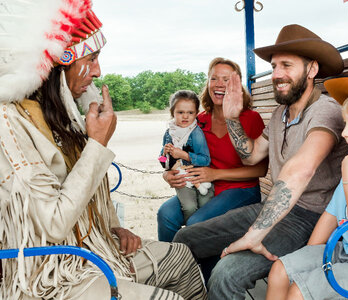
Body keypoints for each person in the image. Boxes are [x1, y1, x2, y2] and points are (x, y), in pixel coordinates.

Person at [0, 1, 206, 299]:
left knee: (182, 259)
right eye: (92, 57)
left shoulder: (62, 114)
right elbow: (53, 225)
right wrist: (96, 144)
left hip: (91, 250)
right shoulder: (10, 123)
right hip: (49, 275)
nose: (98, 71)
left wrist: (112, 226)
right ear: (60, 60)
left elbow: (90, 191)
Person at [173, 24, 348, 299]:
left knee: (226, 274)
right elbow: (252, 154)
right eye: (274, 65)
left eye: (286, 65)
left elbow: (302, 169)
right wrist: (232, 119)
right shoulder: (281, 113)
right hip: (272, 207)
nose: (276, 74)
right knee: (185, 239)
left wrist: (255, 234)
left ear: (312, 69)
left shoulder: (326, 112)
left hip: (310, 219)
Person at [266, 69, 348, 300]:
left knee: (301, 292)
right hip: (346, 252)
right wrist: (308, 259)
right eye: (346, 123)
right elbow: (330, 215)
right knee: (281, 271)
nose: (345, 132)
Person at [158, 57, 268, 244]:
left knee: (196, 223)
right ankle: (172, 267)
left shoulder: (251, 118)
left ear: (237, 86)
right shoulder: (197, 121)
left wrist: (214, 174)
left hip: (241, 189)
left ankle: (195, 268)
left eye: (227, 80)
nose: (219, 85)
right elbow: (176, 155)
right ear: (207, 82)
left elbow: (260, 170)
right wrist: (168, 175)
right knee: (166, 214)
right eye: (214, 78)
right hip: (206, 187)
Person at [159, 90, 214, 222]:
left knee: (205, 206)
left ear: (196, 113)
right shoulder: (169, 133)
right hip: (182, 178)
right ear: (173, 112)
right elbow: (163, 163)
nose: (185, 117)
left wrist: (183, 155)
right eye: (180, 112)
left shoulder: (196, 133)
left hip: (200, 177)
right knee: (189, 207)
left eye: (190, 113)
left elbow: (205, 160)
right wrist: (164, 154)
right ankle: (191, 233)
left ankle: (202, 233)